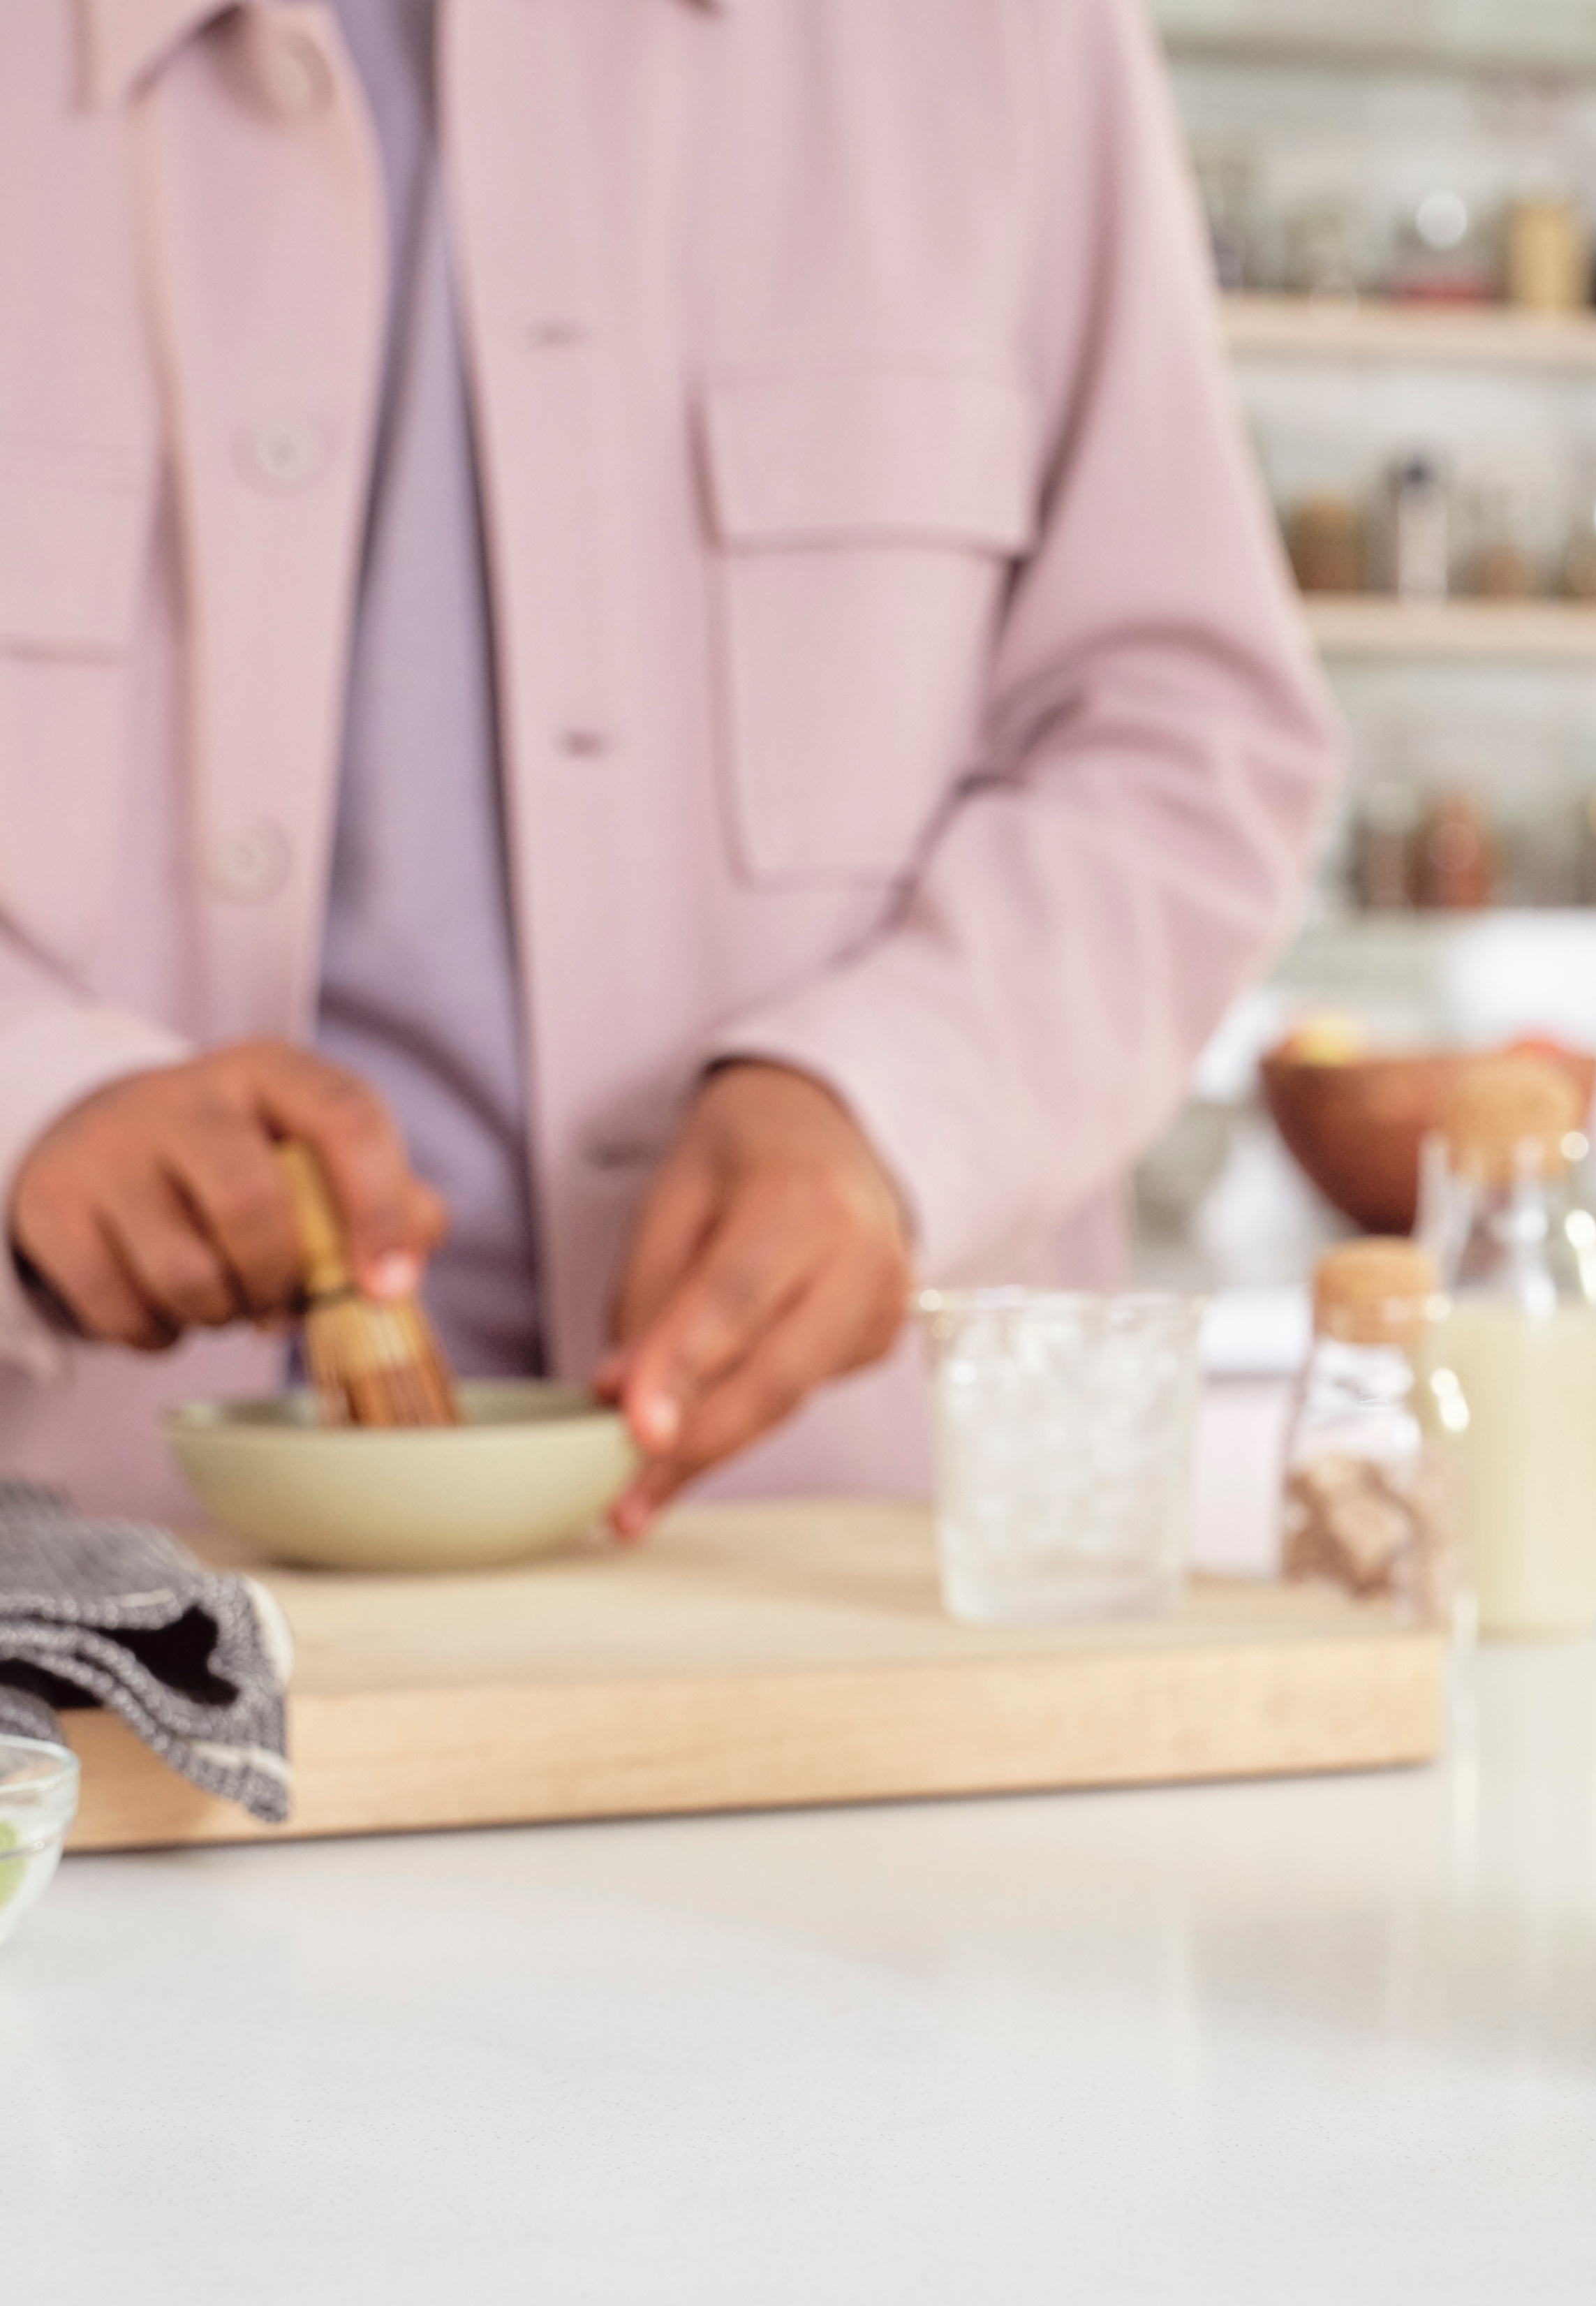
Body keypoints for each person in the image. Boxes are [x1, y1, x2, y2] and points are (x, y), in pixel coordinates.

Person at [0, 0, 1336, 1530]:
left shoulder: (996, 37)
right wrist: (30, 1102)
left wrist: (888, 1102)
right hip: (79, 1619)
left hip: (824, 1591)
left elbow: (1186, 734)